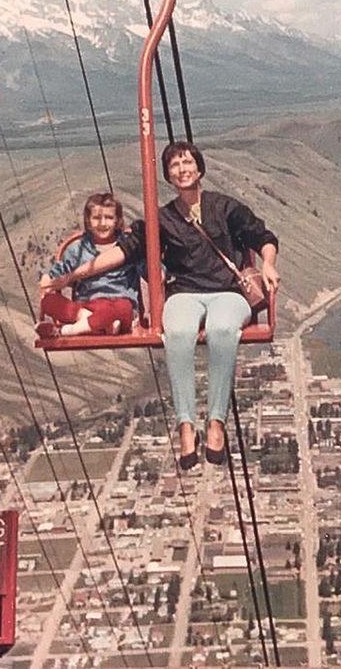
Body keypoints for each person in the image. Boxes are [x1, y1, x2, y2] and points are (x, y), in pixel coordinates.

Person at [42, 142, 280, 468]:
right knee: (178, 331)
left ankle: (215, 422)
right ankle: (185, 424)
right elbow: (122, 252)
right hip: (184, 293)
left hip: (228, 293)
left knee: (222, 328)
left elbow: (262, 237)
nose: (182, 169)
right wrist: (72, 276)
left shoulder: (225, 208)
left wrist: (268, 264)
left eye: (187, 163)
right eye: (174, 166)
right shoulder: (163, 218)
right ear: (168, 175)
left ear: (199, 169)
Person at [36, 192, 140, 337]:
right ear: (88, 221)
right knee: (48, 301)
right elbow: (59, 272)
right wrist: (49, 277)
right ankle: (98, 324)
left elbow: (150, 270)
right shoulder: (77, 249)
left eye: (109, 218)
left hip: (118, 302)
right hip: (87, 304)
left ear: (117, 221)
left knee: (123, 308)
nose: (103, 223)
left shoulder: (128, 246)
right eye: (96, 218)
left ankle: (68, 330)